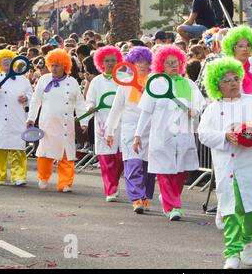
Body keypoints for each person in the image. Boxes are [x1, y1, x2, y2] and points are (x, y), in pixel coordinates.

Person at [198, 57, 252, 269]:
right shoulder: (212, 108)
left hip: (250, 162)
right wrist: (225, 136)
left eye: (235, 78)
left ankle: (247, 241)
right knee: (231, 210)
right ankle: (231, 252)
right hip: (226, 165)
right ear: (216, 85)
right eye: (226, 80)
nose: (232, 83)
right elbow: (203, 134)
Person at [134, 45, 205, 221]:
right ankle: (173, 206)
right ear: (161, 65)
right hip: (161, 137)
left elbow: (200, 104)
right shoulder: (155, 84)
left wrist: (194, 111)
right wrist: (137, 135)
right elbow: (146, 112)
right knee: (165, 173)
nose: (174, 65)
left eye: (176, 62)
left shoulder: (187, 84)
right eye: (169, 63)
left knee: (181, 173)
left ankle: (169, 198)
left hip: (183, 136)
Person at [221, 25, 252, 235]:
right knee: (230, 177)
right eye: (240, 45)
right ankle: (229, 214)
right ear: (232, 48)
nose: (245, 49)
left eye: (248, 45)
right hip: (232, 130)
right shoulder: (223, 71)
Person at [27, 49, 88, 192]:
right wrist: (31, 118)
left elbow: (79, 103)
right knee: (45, 154)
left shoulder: (72, 82)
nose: (54, 68)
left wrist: (84, 122)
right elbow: (35, 101)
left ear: (65, 66)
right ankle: (43, 178)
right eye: (52, 65)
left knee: (67, 154)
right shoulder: (43, 80)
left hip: (66, 125)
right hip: (47, 123)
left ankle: (65, 183)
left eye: (58, 65)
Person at [105, 47, 156, 214]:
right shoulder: (124, 85)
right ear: (131, 64)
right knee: (133, 165)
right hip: (129, 130)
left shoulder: (155, 83)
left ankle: (146, 196)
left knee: (149, 168)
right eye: (138, 62)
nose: (142, 65)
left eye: (145, 62)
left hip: (150, 130)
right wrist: (110, 131)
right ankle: (136, 198)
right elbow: (116, 109)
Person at [86, 46, 124, 202]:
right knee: (107, 159)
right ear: (101, 63)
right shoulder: (96, 81)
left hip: (122, 123)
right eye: (107, 61)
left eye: (113, 60)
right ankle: (111, 189)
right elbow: (89, 100)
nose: (110, 63)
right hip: (103, 122)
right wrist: (90, 107)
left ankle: (115, 183)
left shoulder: (125, 78)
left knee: (120, 158)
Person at [0, 49, 32, 186]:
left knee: (18, 148)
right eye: (3, 60)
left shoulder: (23, 80)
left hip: (17, 117)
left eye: (9, 60)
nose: (6, 62)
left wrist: (26, 98)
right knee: (0, 148)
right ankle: (0, 176)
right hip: (0, 118)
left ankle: (19, 176)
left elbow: (31, 96)